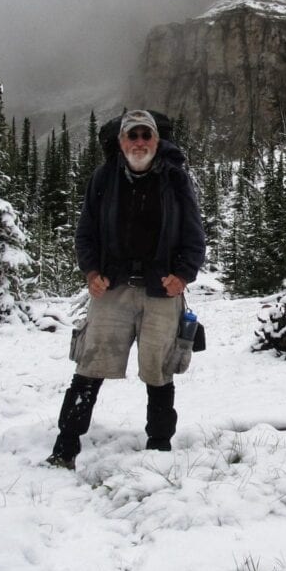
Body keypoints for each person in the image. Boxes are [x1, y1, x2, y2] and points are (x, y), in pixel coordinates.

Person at [46, 109, 206, 469]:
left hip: (162, 290)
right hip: (111, 289)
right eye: (131, 136)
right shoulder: (104, 178)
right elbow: (85, 234)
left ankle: (159, 449)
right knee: (89, 367)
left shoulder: (176, 179)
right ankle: (64, 450)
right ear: (120, 142)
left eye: (145, 135)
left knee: (158, 370)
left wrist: (182, 275)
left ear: (156, 140)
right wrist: (91, 272)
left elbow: (195, 236)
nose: (139, 143)